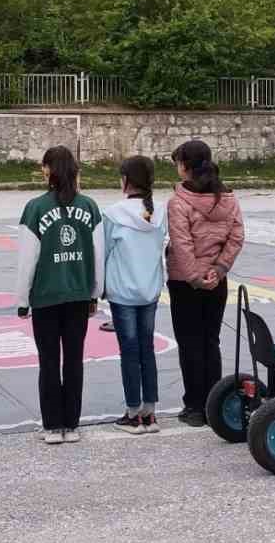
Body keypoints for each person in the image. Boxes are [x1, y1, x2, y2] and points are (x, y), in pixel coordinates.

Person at [17, 146, 104, 443]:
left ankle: (53, 426)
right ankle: (72, 424)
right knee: (74, 360)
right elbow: (98, 255)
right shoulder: (90, 207)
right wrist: (95, 293)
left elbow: (27, 260)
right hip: (79, 295)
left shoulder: (35, 208)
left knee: (49, 361)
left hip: (45, 296)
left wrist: (22, 299)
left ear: (48, 171)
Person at [166, 140, 244, 426]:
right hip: (217, 281)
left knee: (189, 343)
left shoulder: (178, 202)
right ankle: (217, 404)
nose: (177, 168)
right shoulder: (229, 198)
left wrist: (196, 277)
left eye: (177, 163)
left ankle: (195, 406)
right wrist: (219, 269)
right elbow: (236, 238)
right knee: (211, 341)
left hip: (185, 282)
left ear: (186, 166)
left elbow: (182, 245)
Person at [103, 155, 168, 434]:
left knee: (129, 352)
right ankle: (150, 412)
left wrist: (98, 290)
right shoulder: (159, 212)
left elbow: (102, 253)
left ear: (126, 181)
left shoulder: (113, 214)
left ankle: (132, 413)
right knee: (147, 351)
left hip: (122, 293)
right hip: (150, 291)